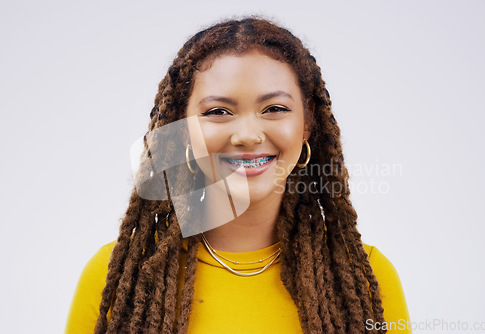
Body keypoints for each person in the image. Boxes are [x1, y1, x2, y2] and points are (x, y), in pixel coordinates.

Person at [66, 17, 411, 334]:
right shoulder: (115, 276)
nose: (247, 135)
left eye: (274, 109)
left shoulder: (366, 277)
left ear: (307, 125)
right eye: (218, 111)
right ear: (183, 131)